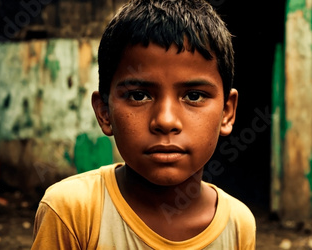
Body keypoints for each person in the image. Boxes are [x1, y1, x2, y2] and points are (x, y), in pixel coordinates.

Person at [31, 0, 256, 249]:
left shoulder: (237, 224)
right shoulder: (72, 212)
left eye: (193, 96)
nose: (165, 121)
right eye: (139, 95)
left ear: (227, 112)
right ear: (104, 111)